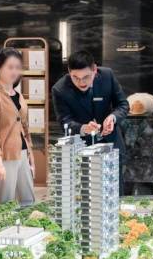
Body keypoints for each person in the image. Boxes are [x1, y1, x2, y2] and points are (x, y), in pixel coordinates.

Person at [51, 50, 129, 192]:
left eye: (86, 77)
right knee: (86, 195)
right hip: (82, 149)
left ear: (94, 70)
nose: (81, 82)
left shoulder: (107, 76)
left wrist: (112, 118)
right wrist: (83, 128)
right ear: (69, 72)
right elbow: (64, 121)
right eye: (75, 78)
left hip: (111, 144)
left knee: (115, 192)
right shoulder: (60, 89)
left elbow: (123, 105)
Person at [0, 48, 35, 206]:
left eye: (18, 67)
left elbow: (24, 127)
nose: (14, 71)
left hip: (22, 153)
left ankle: (26, 225)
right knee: (4, 204)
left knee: (28, 201)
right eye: (10, 67)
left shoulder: (18, 94)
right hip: (4, 156)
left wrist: (30, 155)